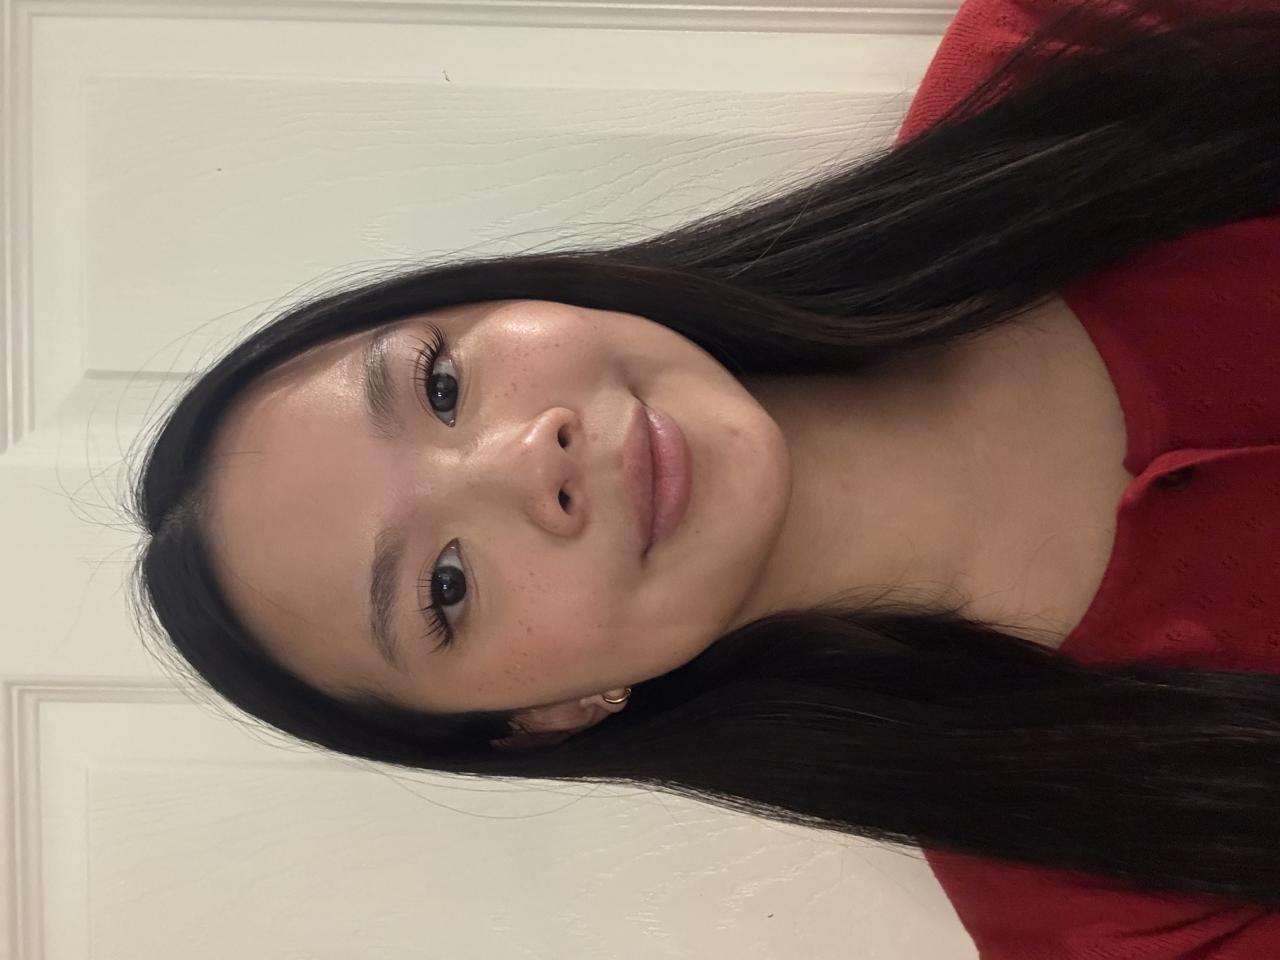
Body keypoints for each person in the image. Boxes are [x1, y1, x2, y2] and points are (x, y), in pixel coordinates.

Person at [130, 0, 1280, 954]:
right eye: (445, 586)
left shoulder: (1062, 61)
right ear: (543, 720)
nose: (529, 456)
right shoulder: (1109, 911)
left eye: (437, 385)